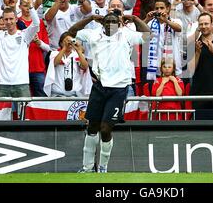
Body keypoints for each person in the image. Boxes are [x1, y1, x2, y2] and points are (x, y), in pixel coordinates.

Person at [68, 11, 150, 173]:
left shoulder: (126, 34)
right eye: (108, 21)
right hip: (99, 86)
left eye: (114, 21)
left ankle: (103, 166)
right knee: (92, 127)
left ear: (119, 23)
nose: (111, 23)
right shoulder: (93, 34)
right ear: (102, 23)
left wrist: (134, 18)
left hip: (119, 88)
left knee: (105, 129)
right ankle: (87, 168)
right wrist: (90, 17)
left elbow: (148, 35)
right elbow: (71, 32)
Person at [0, 0, 39, 97]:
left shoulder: (25, 35)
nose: (9, 22)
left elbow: (36, 24)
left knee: (24, 113)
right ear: (2, 20)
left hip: (22, 83)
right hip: (2, 84)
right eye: (6, 19)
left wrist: (30, 6)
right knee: (1, 113)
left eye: (11, 19)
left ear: (16, 19)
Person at [44, 31, 92, 97]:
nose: (69, 44)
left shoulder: (77, 55)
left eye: (71, 41)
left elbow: (85, 67)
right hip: (57, 93)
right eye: (66, 41)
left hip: (75, 93)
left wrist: (79, 51)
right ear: (60, 43)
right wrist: (64, 48)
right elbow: (55, 62)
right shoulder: (54, 53)